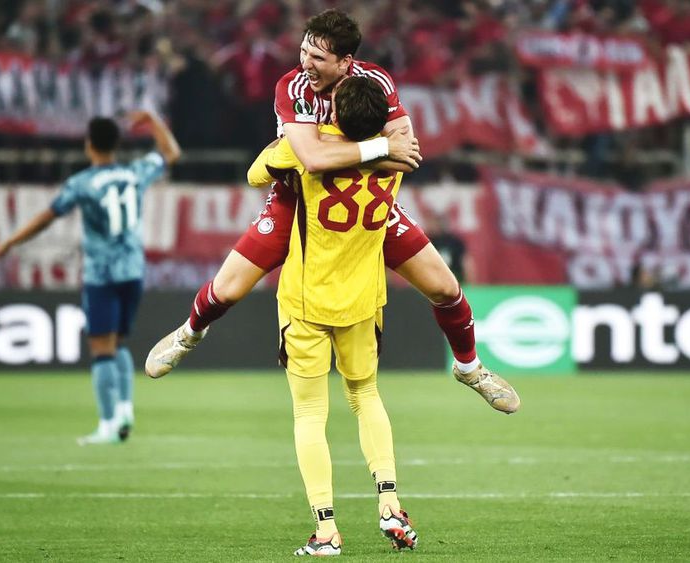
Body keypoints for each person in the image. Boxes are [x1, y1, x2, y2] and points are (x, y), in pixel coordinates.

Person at [146, 9, 519, 415]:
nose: (305, 64)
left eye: (318, 58)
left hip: (363, 202)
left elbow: (408, 153)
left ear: (345, 63)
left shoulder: (375, 81)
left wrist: (340, 154)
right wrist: (376, 149)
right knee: (228, 289)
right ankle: (189, 334)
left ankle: (470, 368)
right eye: (304, 51)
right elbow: (312, 159)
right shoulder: (292, 87)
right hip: (295, 201)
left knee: (445, 288)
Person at [250, 75, 416, 556]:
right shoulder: (397, 156)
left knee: (309, 413)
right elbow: (395, 142)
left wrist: (303, 135)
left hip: (306, 299)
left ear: (334, 112)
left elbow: (256, 173)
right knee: (366, 395)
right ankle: (390, 502)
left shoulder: (308, 151)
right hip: (364, 297)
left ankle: (326, 530)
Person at [0, 111, 181, 445]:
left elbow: (46, 218)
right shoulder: (134, 172)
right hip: (133, 271)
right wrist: (153, 121)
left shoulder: (81, 183)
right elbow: (171, 154)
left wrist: (10, 242)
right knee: (119, 342)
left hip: (102, 274)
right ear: (116, 144)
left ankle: (108, 424)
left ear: (89, 144)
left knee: (101, 348)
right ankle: (125, 410)